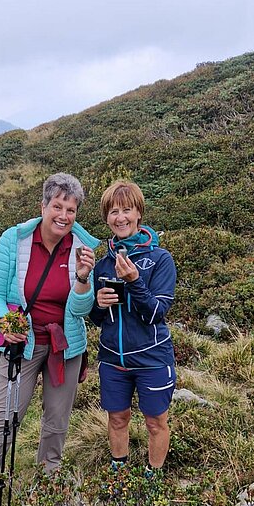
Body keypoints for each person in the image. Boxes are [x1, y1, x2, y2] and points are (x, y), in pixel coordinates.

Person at [0, 172, 98, 506]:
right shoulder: (14, 240)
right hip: (22, 343)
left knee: (57, 420)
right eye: (58, 206)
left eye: (72, 209)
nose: (64, 216)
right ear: (43, 206)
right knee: (6, 417)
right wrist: (6, 324)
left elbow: (81, 309)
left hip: (65, 345)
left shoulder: (83, 247)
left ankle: (49, 481)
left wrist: (81, 278)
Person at [90, 180, 176, 480]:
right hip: (113, 359)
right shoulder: (103, 264)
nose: (120, 217)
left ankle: (153, 481)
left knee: (155, 422)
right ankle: (120, 477)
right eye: (113, 211)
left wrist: (135, 281)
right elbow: (98, 320)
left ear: (138, 214)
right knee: (117, 418)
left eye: (127, 210)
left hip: (152, 358)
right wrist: (98, 304)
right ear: (107, 218)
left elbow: (156, 313)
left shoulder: (160, 259)